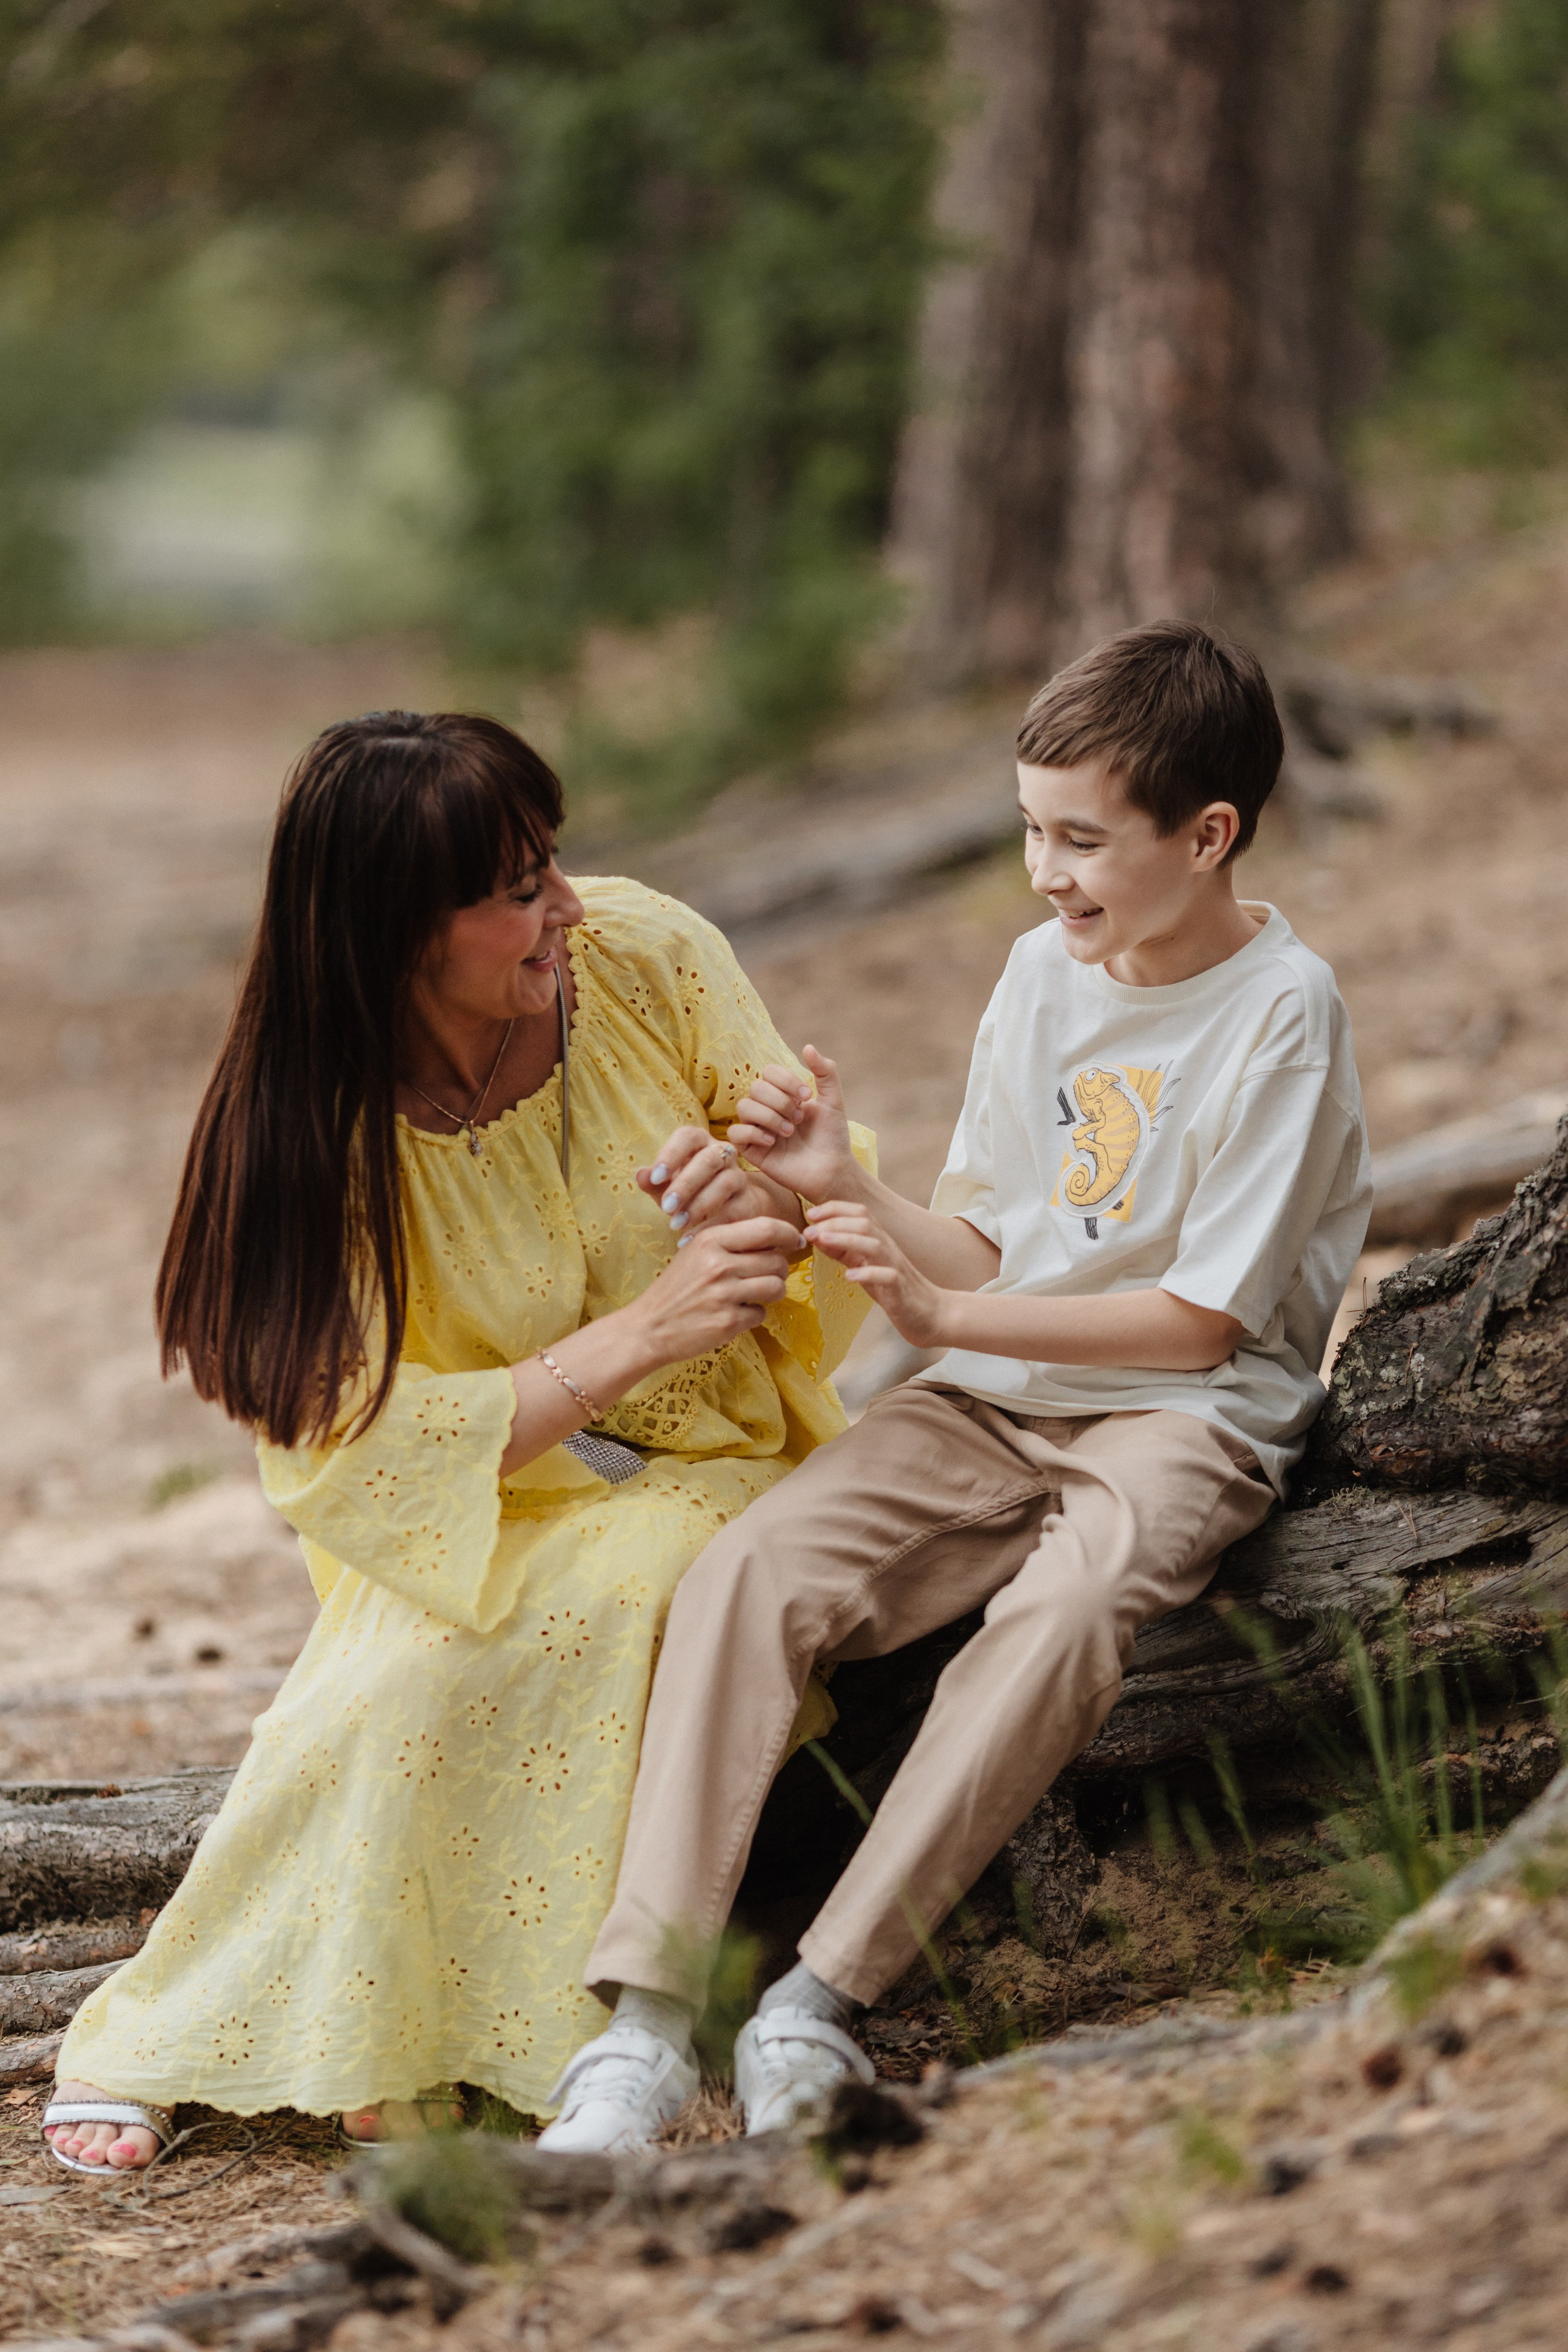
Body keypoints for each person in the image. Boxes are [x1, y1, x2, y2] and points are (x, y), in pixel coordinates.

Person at [541, 620, 1373, 2152]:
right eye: (1025, 833)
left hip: (1181, 1424)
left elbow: (1201, 1323)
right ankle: (643, 2031)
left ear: (1207, 837)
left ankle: (818, 2002)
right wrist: (821, 1190)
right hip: (986, 1388)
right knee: (750, 1573)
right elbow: (982, 1231)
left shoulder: (1281, 1014)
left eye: (1078, 841)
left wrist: (947, 1304)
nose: (1044, 874)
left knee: (1058, 1618)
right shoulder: (1037, 974)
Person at [43, 710, 873, 2174]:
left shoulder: (648, 956)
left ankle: (510, 2042)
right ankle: (178, 2029)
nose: (559, 906)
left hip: (720, 1463)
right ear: (387, 936)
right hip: (482, 1507)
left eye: (547, 863)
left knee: (623, 1600)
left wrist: (755, 1199)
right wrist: (634, 1333)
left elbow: (811, 1214)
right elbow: (344, 1442)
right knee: (385, 1690)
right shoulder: (315, 1123)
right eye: (510, 890)